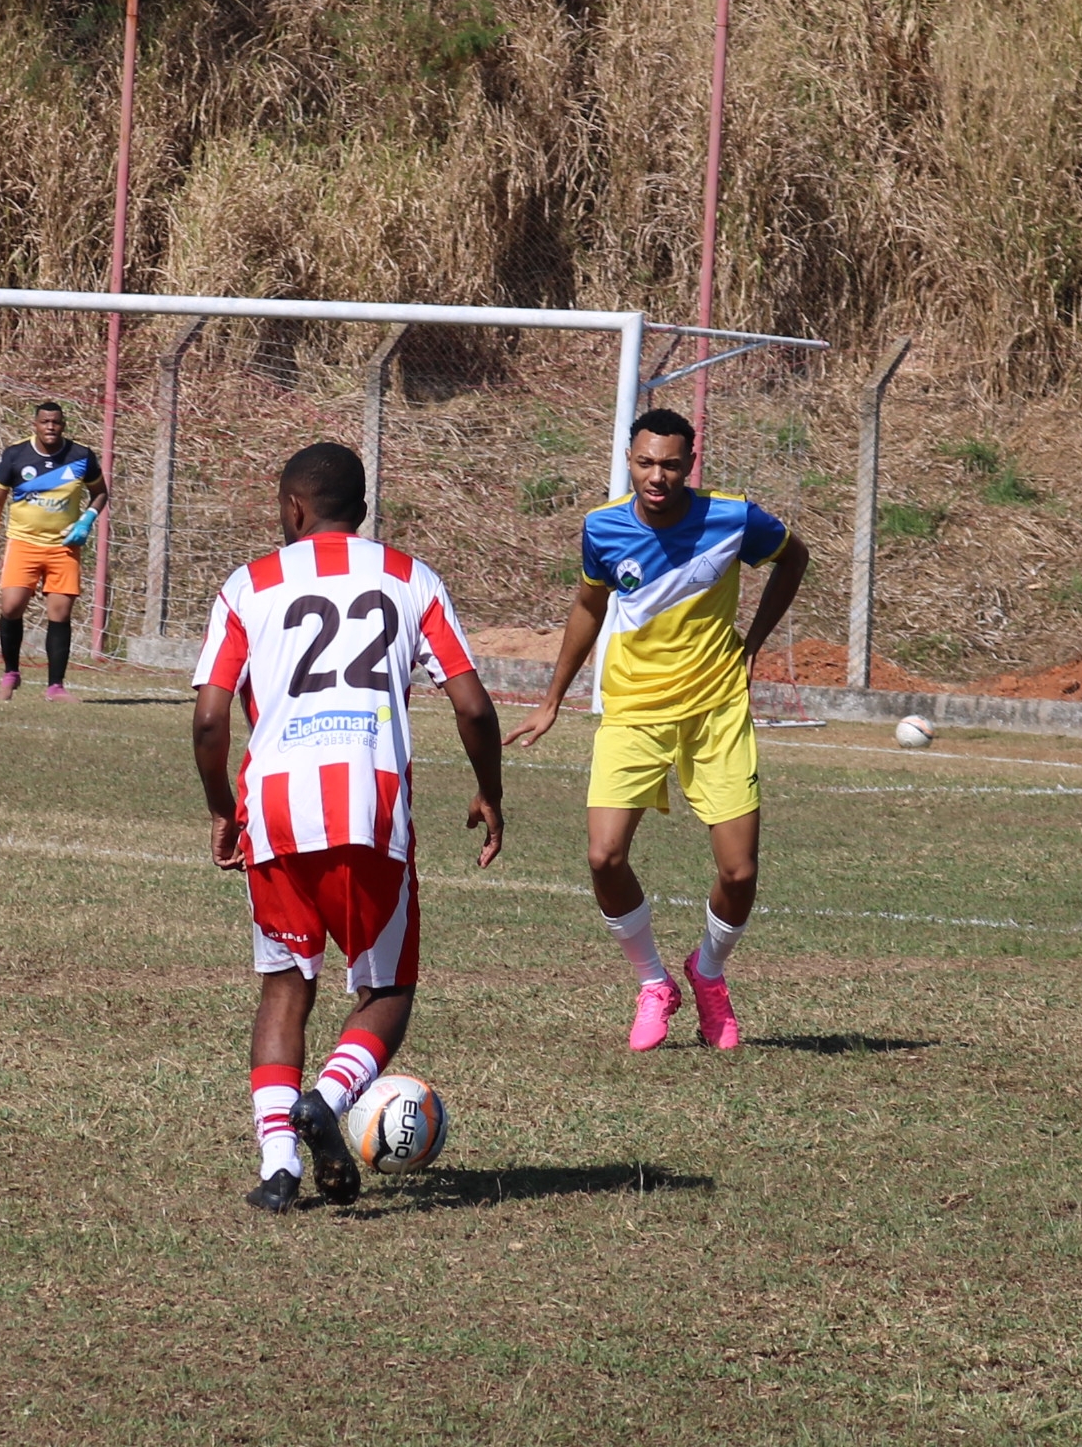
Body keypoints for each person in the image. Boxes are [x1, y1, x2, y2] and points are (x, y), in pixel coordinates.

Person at [192, 442, 505, 1214]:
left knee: (284, 986)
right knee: (387, 987)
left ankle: (279, 1167)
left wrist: (222, 808)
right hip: (372, 806)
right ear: (362, 509)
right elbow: (472, 705)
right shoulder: (409, 577)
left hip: (273, 810)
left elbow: (208, 719)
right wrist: (489, 790)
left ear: (293, 507)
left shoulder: (248, 584)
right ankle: (328, 1100)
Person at [505, 408, 809, 1052]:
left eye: (670, 465)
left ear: (690, 464)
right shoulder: (603, 527)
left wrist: (753, 644)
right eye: (645, 462)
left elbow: (794, 557)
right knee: (604, 856)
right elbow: (588, 606)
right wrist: (553, 699)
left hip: (716, 711)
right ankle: (653, 983)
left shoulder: (734, 518)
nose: (657, 476)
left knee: (739, 872)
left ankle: (709, 973)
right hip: (633, 711)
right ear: (629, 459)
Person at [0, 401, 106, 700]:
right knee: (11, 606)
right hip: (23, 543)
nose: (51, 427)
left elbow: (100, 493)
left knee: (60, 613)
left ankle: (55, 686)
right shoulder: (16, 455)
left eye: (56, 422)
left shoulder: (81, 456)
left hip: (63, 546)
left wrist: (87, 520)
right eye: (45, 422)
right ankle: (11, 673)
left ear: (64, 425)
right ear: (35, 424)